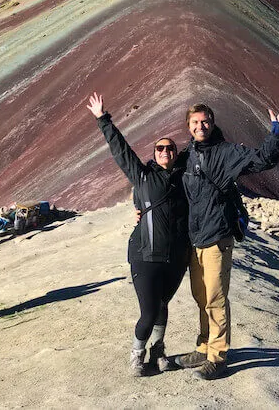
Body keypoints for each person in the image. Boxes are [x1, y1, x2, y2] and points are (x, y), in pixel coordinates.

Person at [175, 101, 279, 380]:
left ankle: (218, 357)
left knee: (216, 298)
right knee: (200, 296)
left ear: (212, 122)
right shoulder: (189, 155)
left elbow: (263, 160)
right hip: (194, 239)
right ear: (188, 127)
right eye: (195, 123)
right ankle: (205, 346)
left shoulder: (227, 152)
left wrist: (277, 129)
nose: (200, 127)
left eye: (204, 121)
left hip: (217, 237)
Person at [87, 92, 190, 377]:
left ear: (176, 153)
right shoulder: (143, 176)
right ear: (154, 153)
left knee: (162, 305)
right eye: (160, 149)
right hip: (145, 255)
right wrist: (102, 118)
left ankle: (158, 352)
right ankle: (136, 355)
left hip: (176, 258)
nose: (165, 152)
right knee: (148, 311)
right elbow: (121, 151)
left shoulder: (186, 179)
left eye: (170, 149)